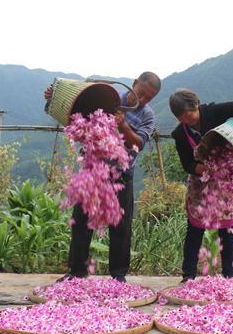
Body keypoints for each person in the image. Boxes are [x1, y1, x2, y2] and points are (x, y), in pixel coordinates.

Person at [45, 72, 161, 282]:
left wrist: (123, 125)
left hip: (122, 174)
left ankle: (118, 276)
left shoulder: (148, 116)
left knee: (121, 227)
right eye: (141, 93)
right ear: (134, 84)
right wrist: (55, 97)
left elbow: (139, 144)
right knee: (81, 220)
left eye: (148, 98)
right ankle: (76, 272)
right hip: (93, 170)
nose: (142, 100)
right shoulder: (110, 98)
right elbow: (78, 113)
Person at [169, 88, 233, 283]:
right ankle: (188, 276)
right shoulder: (179, 134)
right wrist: (210, 169)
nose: (189, 121)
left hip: (226, 184)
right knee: (195, 231)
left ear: (197, 105)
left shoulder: (213, 112)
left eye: (190, 115)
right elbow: (188, 164)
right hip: (200, 185)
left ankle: (229, 276)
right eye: (183, 118)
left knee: (227, 230)